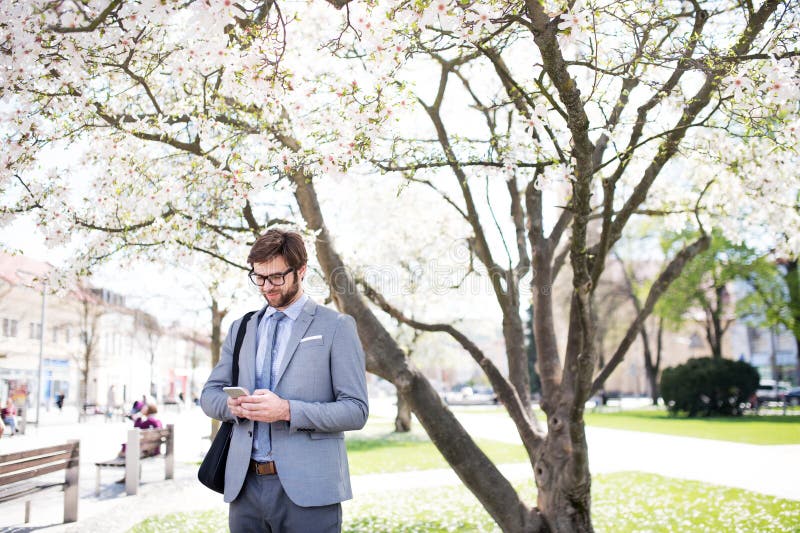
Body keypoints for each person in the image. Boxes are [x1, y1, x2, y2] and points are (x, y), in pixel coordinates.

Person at [201, 229, 369, 533]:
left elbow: (356, 410)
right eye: (259, 277)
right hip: (244, 489)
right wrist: (232, 406)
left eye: (276, 277)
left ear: (301, 271)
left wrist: (287, 411)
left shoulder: (335, 327)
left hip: (311, 490)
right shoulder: (241, 328)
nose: (267, 286)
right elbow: (208, 395)